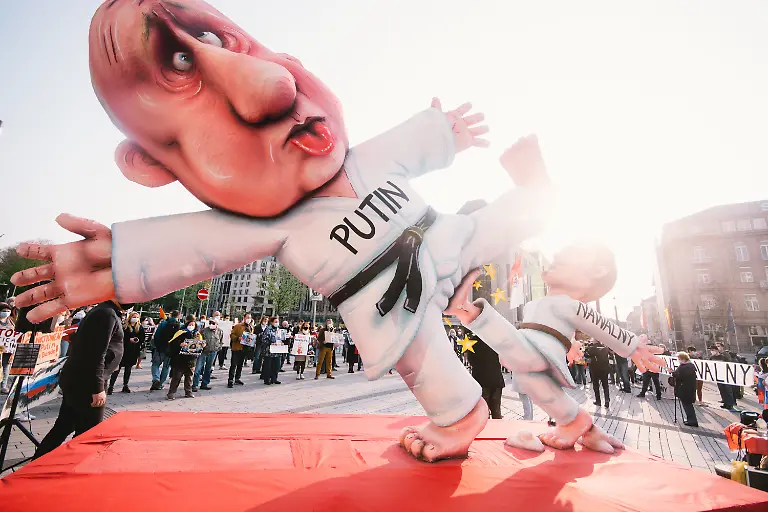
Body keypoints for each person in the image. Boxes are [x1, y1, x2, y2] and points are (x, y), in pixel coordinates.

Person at [33, 300, 127, 460]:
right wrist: (98, 388)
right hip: (88, 384)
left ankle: (39, 462)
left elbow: (92, 344)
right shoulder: (107, 313)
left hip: (81, 380)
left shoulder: (105, 311)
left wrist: (113, 361)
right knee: (87, 433)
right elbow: (96, 354)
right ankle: (71, 465)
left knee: (63, 426)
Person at [465, 331, 505, 420]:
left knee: (483, 411)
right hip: (496, 379)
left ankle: (486, 431)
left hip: (481, 380)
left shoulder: (472, 341)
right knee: (496, 410)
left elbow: (471, 361)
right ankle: (498, 430)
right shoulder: (495, 341)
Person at [108, 310, 144, 394]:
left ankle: (125, 385)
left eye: (137, 317)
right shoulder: (124, 326)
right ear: (130, 318)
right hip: (123, 349)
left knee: (128, 369)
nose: (135, 319)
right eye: (134, 317)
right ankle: (111, 386)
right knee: (117, 369)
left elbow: (142, 338)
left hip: (133, 350)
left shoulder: (139, 327)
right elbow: (119, 337)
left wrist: (137, 340)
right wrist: (128, 339)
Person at [167, 315, 202, 400]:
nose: (191, 326)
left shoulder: (197, 334)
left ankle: (188, 392)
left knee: (189, 377)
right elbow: (172, 343)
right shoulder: (180, 332)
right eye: (190, 324)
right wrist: (180, 344)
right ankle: (171, 393)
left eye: (193, 325)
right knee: (177, 376)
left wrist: (202, 345)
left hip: (191, 359)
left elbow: (200, 345)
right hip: (180, 359)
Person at [150, 310, 181, 390]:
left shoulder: (163, 323)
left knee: (155, 364)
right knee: (166, 367)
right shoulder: (180, 325)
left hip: (160, 348)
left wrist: (157, 345)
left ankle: (156, 378)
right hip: (171, 350)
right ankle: (160, 384)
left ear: (170, 315)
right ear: (179, 316)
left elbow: (156, 335)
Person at [193, 318, 222, 391]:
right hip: (203, 352)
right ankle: (194, 385)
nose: (211, 324)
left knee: (208, 369)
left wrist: (218, 348)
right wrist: (201, 345)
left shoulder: (220, 331)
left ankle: (204, 384)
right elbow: (198, 340)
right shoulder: (203, 331)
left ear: (217, 324)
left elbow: (221, 341)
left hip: (213, 352)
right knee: (198, 369)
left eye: (213, 323)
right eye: (210, 322)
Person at [672, 352, 698, 427]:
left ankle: (692, 421)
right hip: (686, 388)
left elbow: (680, 375)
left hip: (686, 389)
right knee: (687, 404)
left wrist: (673, 373)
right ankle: (691, 420)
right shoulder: (687, 366)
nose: (678, 360)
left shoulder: (687, 367)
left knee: (687, 404)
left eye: (679, 359)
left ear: (683, 359)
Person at [228, 313, 252, 388]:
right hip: (237, 348)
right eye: (247, 317)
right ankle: (230, 380)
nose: (249, 319)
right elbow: (232, 335)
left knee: (240, 365)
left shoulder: (250, 327)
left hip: (245, 348)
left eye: (250, 318)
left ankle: (237, 378)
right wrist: (237, 338)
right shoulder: (238, 326)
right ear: (244, 318)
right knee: (233, 364)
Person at [585, 341, 610, 408]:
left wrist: (586, 350)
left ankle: (598, 401)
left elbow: (586, 355)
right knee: (605, 385)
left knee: (596, 385)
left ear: (595, 340)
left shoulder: (592, 348)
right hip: (604, 368)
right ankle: (607, 400)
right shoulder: (605, 348)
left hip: (595, 369)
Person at [261, 316, 283, 385]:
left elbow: (281, 338)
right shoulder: (268, 329)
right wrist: (271, 342)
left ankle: (274, 378)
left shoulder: (279, 330)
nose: (277, 323)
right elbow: (264, 339)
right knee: (268, 366)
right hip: (269, 351)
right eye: (275, 322)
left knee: (277, 365)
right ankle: (267, 379)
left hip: (278, 351)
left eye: (278, 322)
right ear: (272, 322)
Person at [0, 302, 16, 394]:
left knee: (6, 367)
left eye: (8, 310)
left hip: (8, 349)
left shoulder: (12, 321)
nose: (6, 312)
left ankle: (3, 386)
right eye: (3, 310)